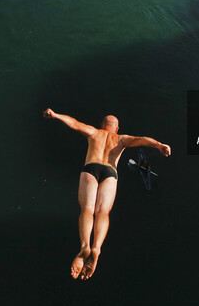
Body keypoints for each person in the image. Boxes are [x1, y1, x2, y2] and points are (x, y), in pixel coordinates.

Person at [43, 108, 171, 280]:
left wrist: (56, 115)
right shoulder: (121, 138)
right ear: (116, 129)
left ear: (102, 125)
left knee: (87, 209)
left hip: (91, 168)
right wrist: (158, 145)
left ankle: (85, 246)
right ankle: (96, 247)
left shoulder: (94, 131)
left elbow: (74, 123)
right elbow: (140, 140)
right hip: (110, 172)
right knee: (102, 212)